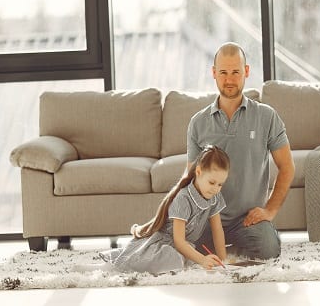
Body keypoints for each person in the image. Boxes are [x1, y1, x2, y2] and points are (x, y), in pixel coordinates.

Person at [187, 42, 295, 260]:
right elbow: (189, 177)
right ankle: (225, 250)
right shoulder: (198, 123)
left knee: (269, 250)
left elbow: (287, 167)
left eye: (236, 72)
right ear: (214, 73)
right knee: (179, 245)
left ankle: (226, 250)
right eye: (224, 72)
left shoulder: (266, 116)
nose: (229, 79)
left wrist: (269, 211)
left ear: (246, 71)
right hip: (207, 218)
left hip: (247, 220)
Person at [73, 145, 230, 275]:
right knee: (169, 259)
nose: (216, 189)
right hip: (165, 244)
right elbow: (179, 241)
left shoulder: (215, 197)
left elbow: (217, 230)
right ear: (198, 172)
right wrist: (202, 260)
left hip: (183, 247)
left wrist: (223, 261)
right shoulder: (184, 199)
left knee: (182, 262)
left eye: (220, 184)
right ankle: (109, 269)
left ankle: (125, 261)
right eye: (212, 182)